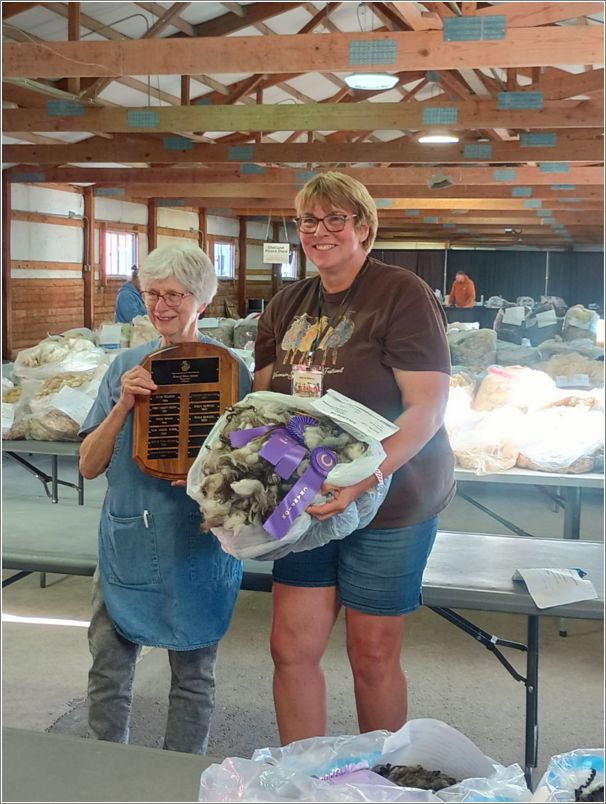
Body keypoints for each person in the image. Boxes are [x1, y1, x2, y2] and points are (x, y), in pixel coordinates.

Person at [253, 171, 455, 745]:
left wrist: (366, 476)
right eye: (309, 222)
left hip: (393, 499)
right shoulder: (286, 304)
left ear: (362, 227)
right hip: (309, 498)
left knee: (370, 654)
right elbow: (267, 408)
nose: (320, 232)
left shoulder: (400, 293)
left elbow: (427, 408)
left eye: (334, 220)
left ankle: (385, 777)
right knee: (290, 648)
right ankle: (303, 772)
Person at [79, 243, 251, 754]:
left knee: (195, 671)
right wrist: (123, 405)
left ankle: (181, 777)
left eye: (174, 294)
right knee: (109, 666)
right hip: (129, 535)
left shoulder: (232, 372)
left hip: (198, 539)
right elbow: (89, 465)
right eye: (152, 293)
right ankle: (105, 769)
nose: (161, 306)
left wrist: (210, 481)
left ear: (201, 300)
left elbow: (250, 468)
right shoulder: (126, 366)